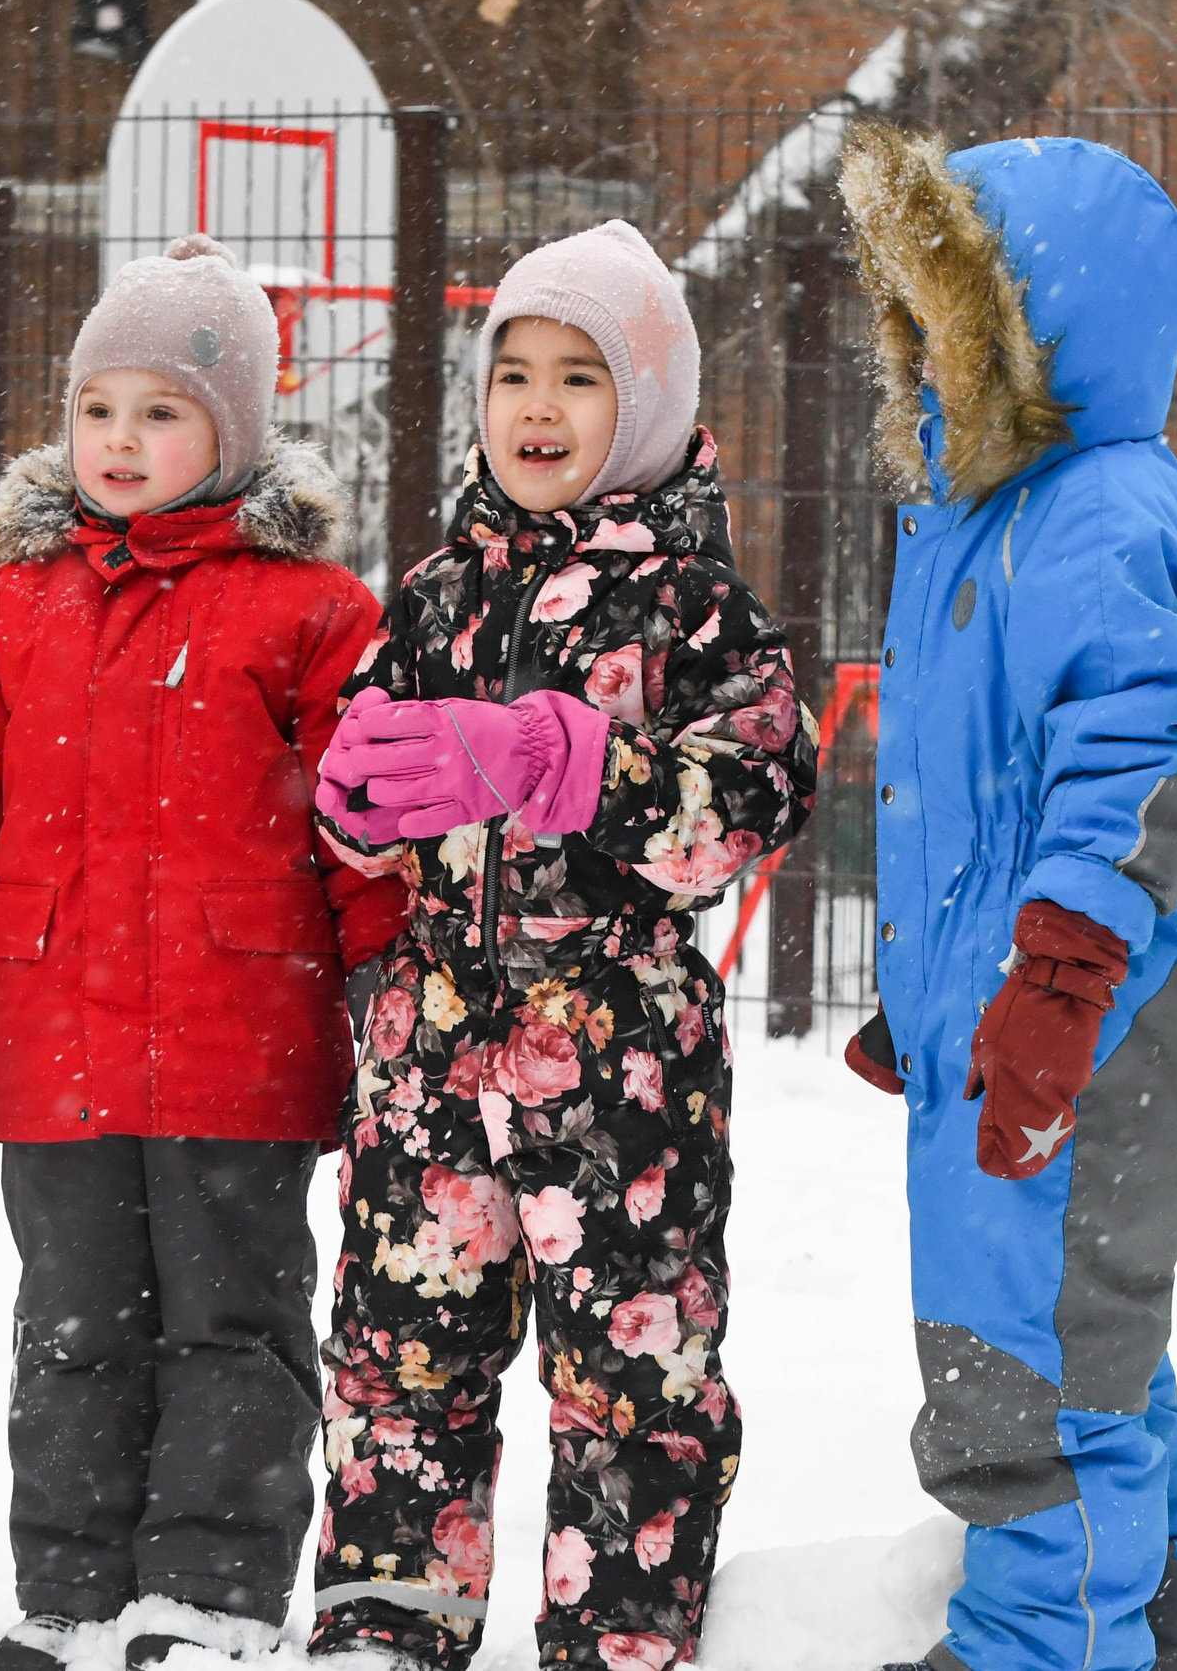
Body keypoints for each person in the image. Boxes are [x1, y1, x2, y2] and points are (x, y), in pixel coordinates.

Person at [0, 236, 408, 1671]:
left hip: (242, 1042)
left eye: (163, 411)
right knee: (74, 1332)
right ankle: (75, 1592)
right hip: (58, 1043)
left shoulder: (312, 614)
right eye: (101, 408)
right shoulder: (11, 607)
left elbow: (364, 831)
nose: (121, 440)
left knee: (232, 1325)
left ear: (233, 433)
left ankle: (207, 1597)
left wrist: (388, 993)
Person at [309, 220, 818, 1671]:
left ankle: (617, 1639)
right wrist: (350, 804)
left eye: (579, 377)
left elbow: (756, 794)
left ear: (646, 403)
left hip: (616, 1072)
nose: (536, 406)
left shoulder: (697, 607)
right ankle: (385, 1628)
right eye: (512, 372)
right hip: (431, 1055)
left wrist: (568, 762)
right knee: (402, 1363)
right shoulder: (437, 589)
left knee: (631, 1380)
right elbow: (367, 755)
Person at [835, 125, 1177, 1671]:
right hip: (1036, 999)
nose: (926, 356)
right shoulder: (973, 517)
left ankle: (1041, 1647)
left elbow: (1142, 760)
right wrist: (934, 1001)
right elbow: (968, 793)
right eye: (912, 325)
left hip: (1104, 1008)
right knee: (1100, 1356)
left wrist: (1057, 983)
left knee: (1022, 1371)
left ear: (1036, 338)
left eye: (950, 321)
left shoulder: (1096, 512)